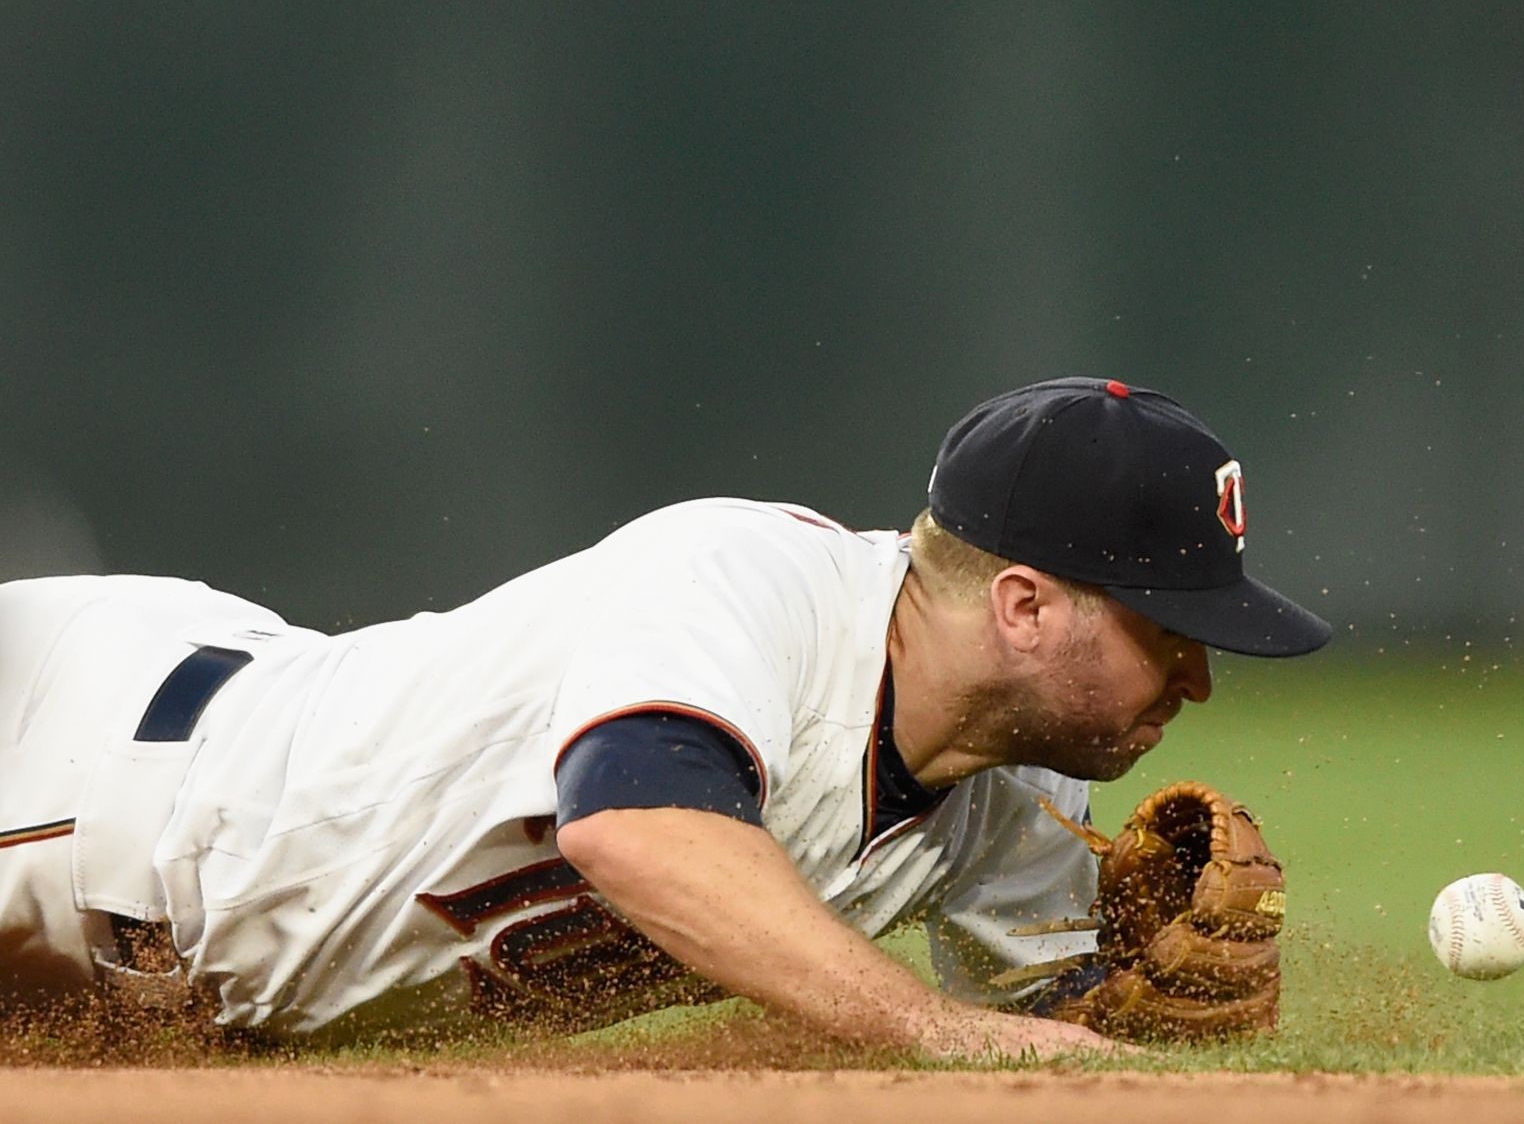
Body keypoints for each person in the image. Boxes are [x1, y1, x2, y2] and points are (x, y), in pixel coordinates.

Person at [0, 377, 1329, 1058]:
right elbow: (637, 825)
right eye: (1171, 634)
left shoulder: (1018, 801)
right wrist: (932, 1027)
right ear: (1028, 607)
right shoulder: (748, 580)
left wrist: (1154, 979)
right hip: (92, 772)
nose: (1198, 681)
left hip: (190, 960)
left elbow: (1041, 1038)